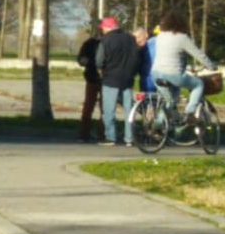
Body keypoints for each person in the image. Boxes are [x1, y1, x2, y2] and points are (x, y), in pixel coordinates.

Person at [151, 12, 216, 125]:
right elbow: (198, 54)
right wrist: (211, 66)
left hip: (156, 73)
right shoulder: (182, 38)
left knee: (169, 101)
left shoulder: (160, 36)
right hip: (173, 74)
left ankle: (160, 125)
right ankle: (190, 112)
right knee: (199, 84)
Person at [96, 17, 141, 147]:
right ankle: (129, 138)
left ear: (108, 27)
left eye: (103, 28)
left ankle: (111, 137)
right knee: (129, 110)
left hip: (110, 78)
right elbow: (137, 58)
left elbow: (99, 61)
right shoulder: (131, 39)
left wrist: (102, 69)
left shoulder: (105, 41)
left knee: (109, 110)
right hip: (128, 79)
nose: (103, 30)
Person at [76, 27, 102, 142]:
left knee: (98, 108)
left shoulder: (90, 43)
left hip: (97, 78)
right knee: (90, 107)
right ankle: (85, 133)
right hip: (93, 78)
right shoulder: (89, 43)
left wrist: (87, 62)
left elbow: (81, 60)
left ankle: (93, 133)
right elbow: (81, 59)